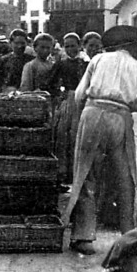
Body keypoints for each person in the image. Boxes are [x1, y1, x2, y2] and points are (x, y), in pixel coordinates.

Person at [63, 25, 137, 255]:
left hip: (93, 111)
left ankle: (83, 237)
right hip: (121, 117)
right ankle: (129, 234)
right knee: (125, 177)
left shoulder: (98, 60)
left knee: (86, 175)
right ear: (133, 47)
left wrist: (82, 124)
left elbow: (79, 95)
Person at [48, 32, 88, 183]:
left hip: (84, 100)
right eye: (67, 46)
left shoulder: (85, 63)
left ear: (79, 46)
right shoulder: (61, 63)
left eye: (73, 45)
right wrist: (60, 92)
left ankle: (76, 171)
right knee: (63, 134)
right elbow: (50, 82)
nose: (71, 49)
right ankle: (63, 171)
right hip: (68, 99)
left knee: (78, 135)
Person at [0, 28, 34, 93]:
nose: (19, 46)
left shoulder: (31, 60)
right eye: (16, 43)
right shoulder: (3, 60)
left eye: (22, 43)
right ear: (10, 43)